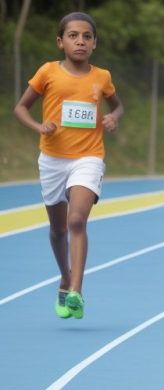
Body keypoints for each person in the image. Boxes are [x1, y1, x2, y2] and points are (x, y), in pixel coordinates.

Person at [12, 11, 124, 319]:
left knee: (77, 220)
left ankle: (76, 289)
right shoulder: (48, 72)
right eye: (73, 35)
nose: (80, 41)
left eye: (87, 36)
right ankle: (64, 275)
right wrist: (39, 127)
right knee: (58, 228)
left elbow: (117, 104)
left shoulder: (101, 77)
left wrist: (113, 117)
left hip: (88, 157)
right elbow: (20, 107)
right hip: (52, 159)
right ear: (61, 42)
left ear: (94, 44)